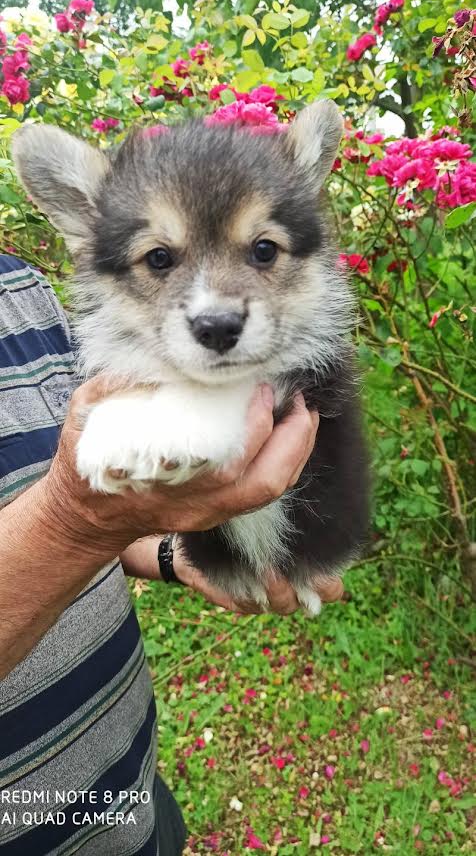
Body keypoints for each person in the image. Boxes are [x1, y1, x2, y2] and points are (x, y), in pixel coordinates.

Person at [0, 254, 343, 855]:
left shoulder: (20, 286)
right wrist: (72, 523)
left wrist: (166, 549)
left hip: (128, 789)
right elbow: (78, 497)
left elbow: (97, 474)